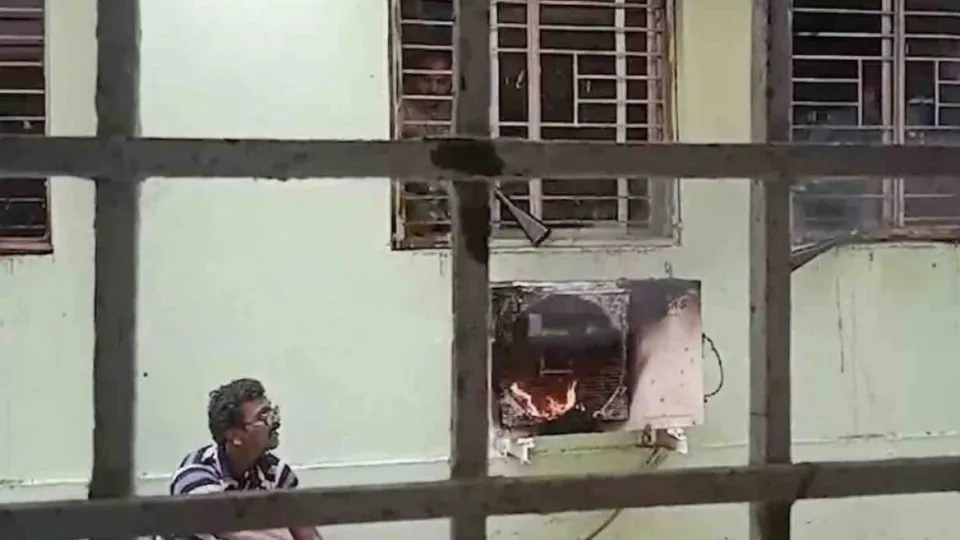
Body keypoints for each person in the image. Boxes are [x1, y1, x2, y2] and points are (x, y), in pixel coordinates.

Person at [168, 378, 322, 540]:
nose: (275, 423)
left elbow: (307, 533)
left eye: (272, 413)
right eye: (263, 417)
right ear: (235, 436)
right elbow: (230, 530)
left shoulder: (275, 472)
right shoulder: (195, 473)